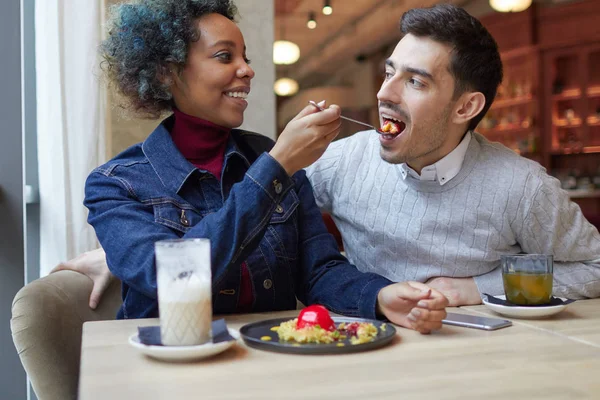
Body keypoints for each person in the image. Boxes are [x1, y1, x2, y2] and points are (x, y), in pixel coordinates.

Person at [73, 0, 448, 333]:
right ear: (166, 74)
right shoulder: (116, 183)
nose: (247, 70)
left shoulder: (268, 156)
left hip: (270, 359)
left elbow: (319, 272)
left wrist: (380, 296)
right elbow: (169, 278)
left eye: (245, 58)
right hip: (170, 368)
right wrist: (277, 165)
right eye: (225, 57)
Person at [305, 4, 600, 305]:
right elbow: (263, 223)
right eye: (389, 73)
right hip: (367, 342)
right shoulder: (342, 160)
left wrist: (475, 287)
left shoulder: (523, 186)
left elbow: (595, 267)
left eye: (415, 82)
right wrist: (283, 155)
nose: (384, 93)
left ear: (466, 107)